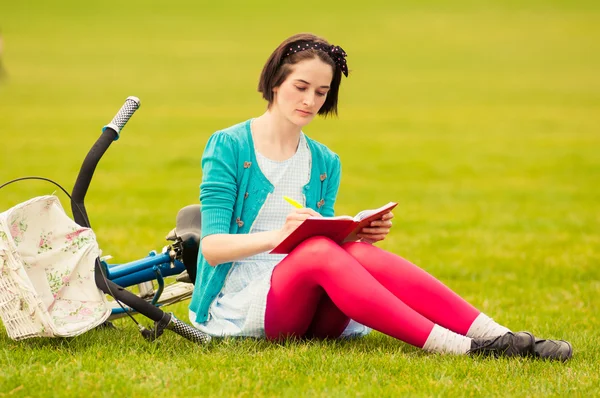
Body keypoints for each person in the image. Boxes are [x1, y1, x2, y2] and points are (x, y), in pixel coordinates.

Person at [188, 33, 572, 361]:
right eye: (300, 88)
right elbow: (213, 248)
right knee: (320, 252)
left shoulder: (324, 160)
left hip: (308, 298)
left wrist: (352, 233)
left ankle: (499, 337)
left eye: (321, 92)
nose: (310, 101)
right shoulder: (229, 145)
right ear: (275, 82)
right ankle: (459, 347)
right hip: (243, 299)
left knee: (357, 254)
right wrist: (280, 236)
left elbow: (318, 239)